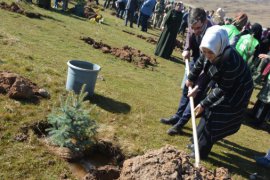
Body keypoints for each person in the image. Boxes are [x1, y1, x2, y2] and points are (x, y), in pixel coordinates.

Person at [186, 25, 253, 159]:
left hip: (237, 91)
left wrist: (203, 104)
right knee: (207, 111)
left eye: (210, 53)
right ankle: (196, 141)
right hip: (223, 85)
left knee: (215, 116)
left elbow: (223, 88)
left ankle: (201, 151)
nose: (207, 55)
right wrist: (191, 78)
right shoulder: (209, 49)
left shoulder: (231, 61)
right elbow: (200, 62)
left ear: (219, 47)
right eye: (204, 51)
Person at [160, 7, 213, 135]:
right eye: (193, 28)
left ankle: (180, 124)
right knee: (186, 88)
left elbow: (207, 66)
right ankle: (177, 117)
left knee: (194, 95)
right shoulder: (193, 25)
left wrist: (199, 86)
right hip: (197, 58)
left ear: (205, 22)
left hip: (209, 64)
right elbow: (189, 34)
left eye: (198, 28)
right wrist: (187, 48)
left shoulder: (212, 33)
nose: (195, 31)